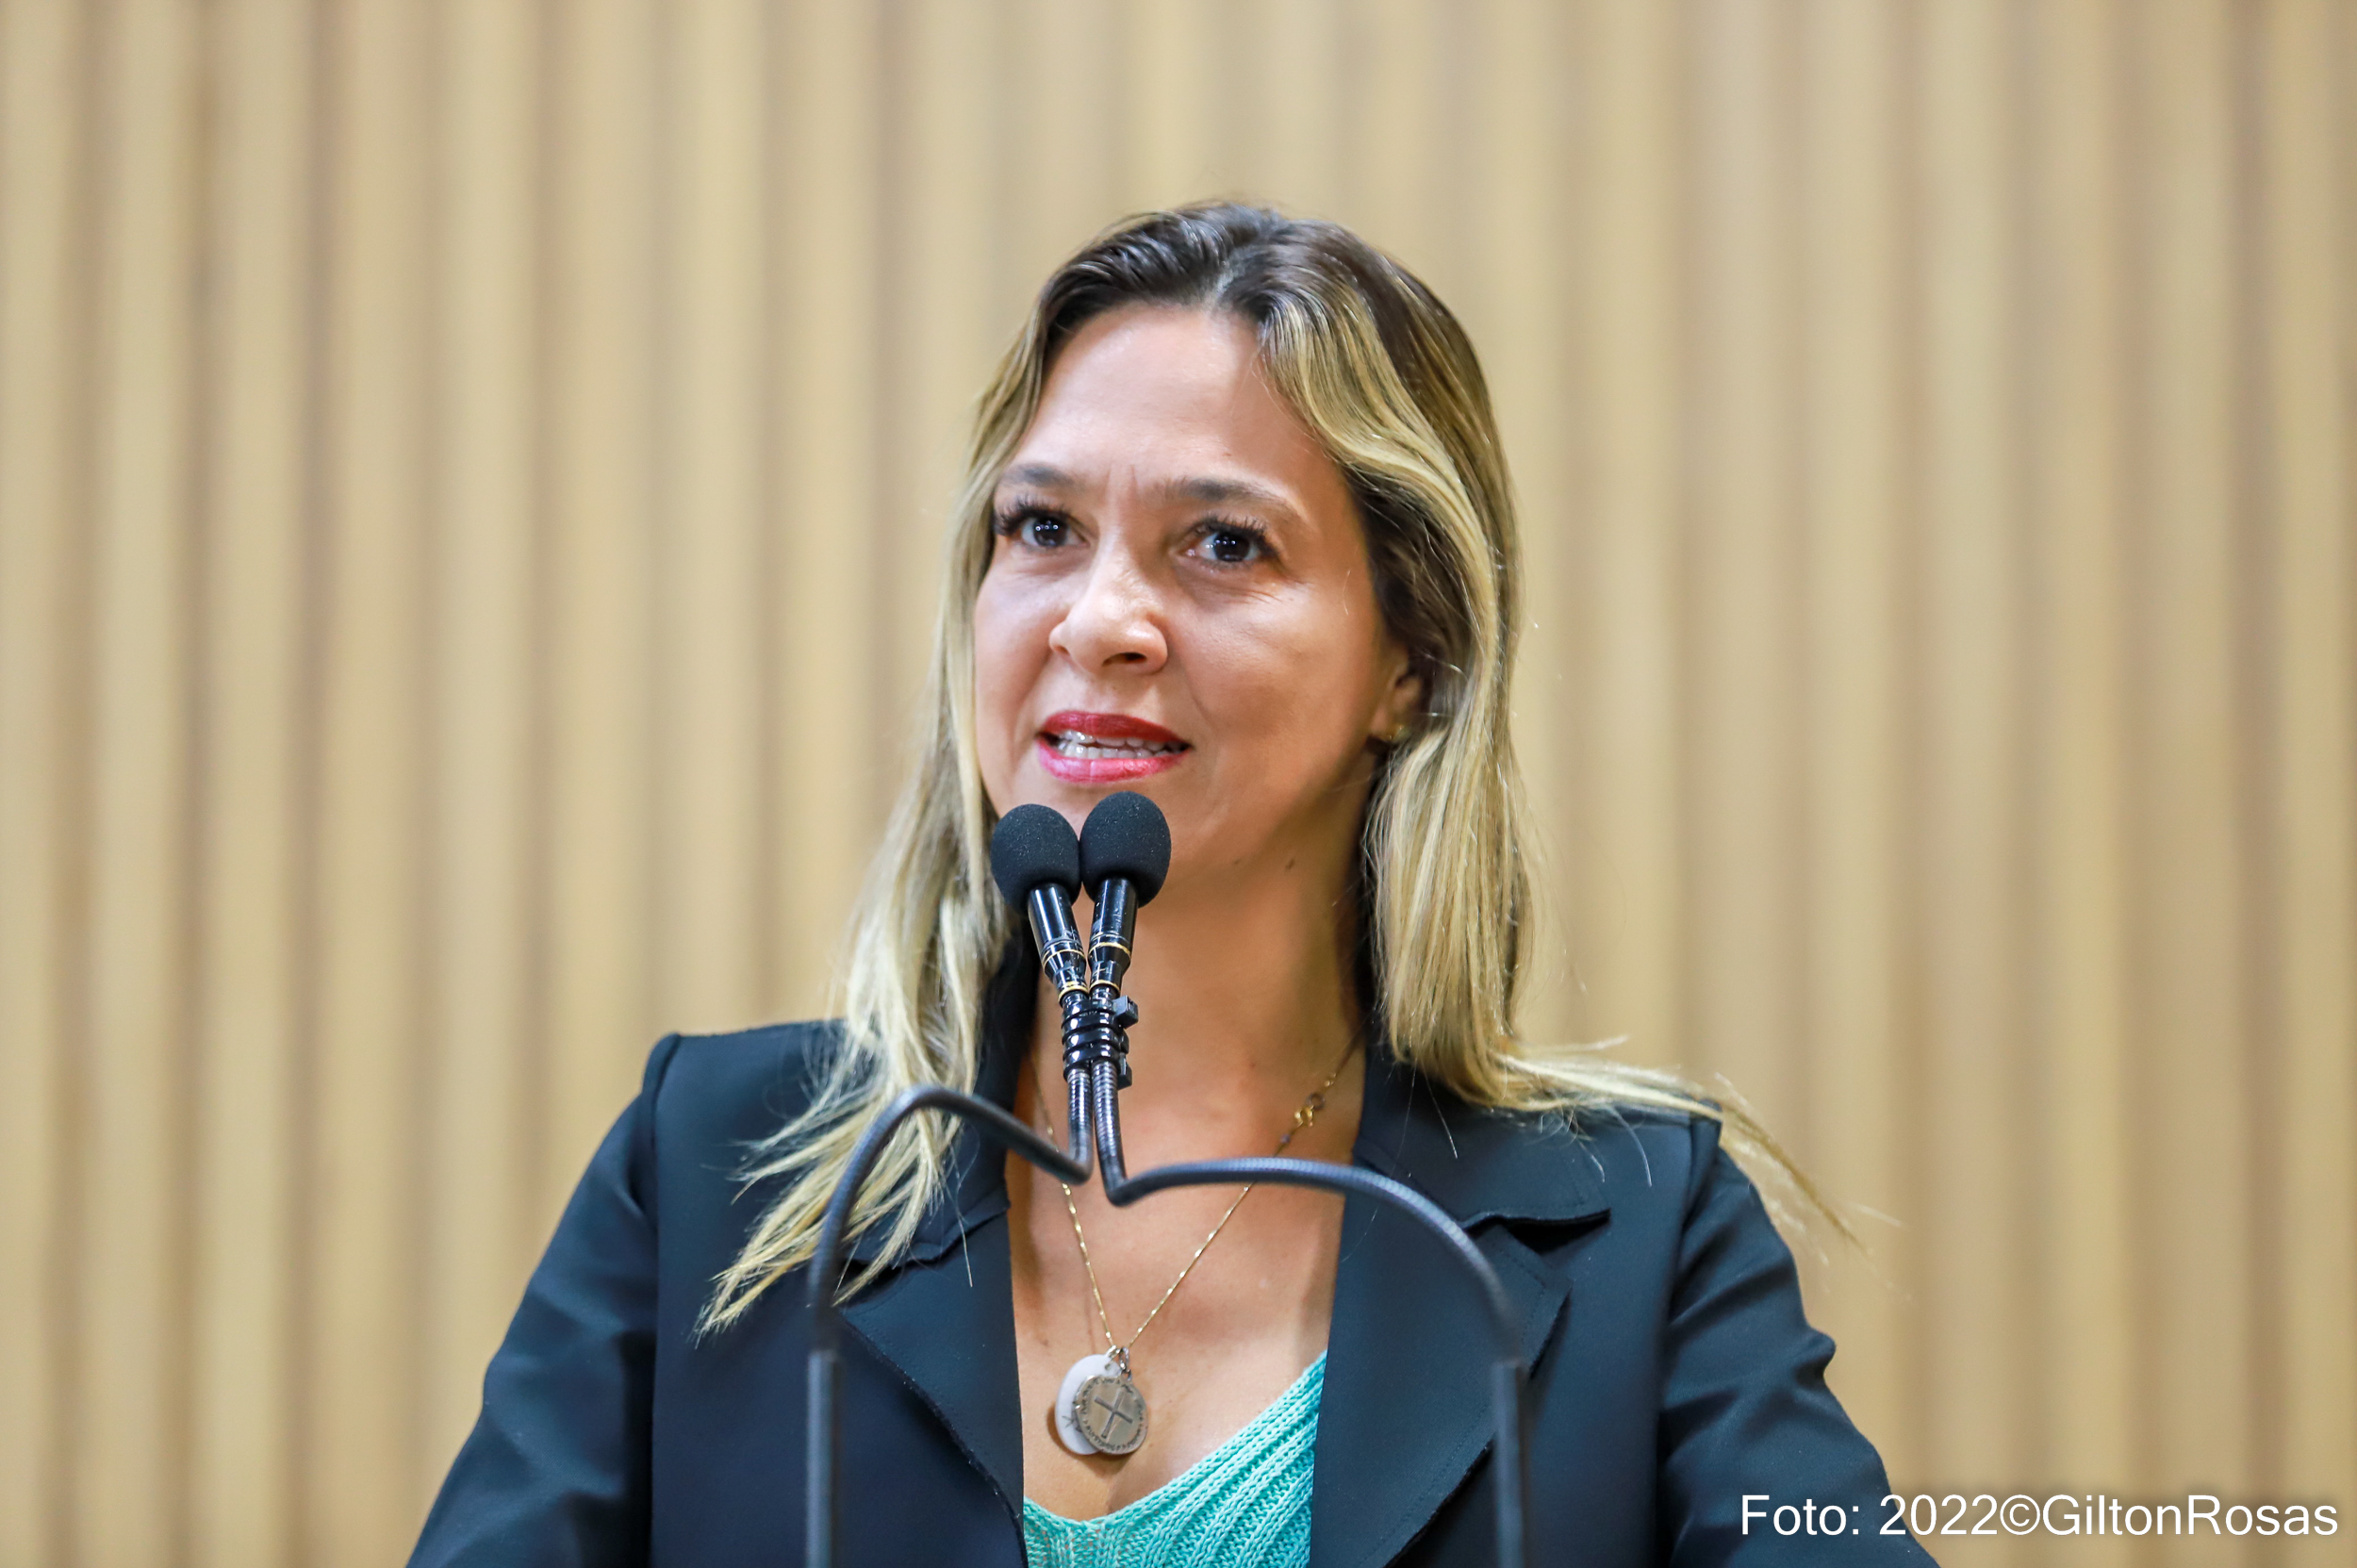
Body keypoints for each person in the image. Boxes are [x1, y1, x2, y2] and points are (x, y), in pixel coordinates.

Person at [410, 203, 1929, 1566]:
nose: (1100, 619)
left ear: (1412, 663)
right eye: (1043, 529)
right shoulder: (709, 1166)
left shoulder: (1642, 1231)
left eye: (1222, 543)